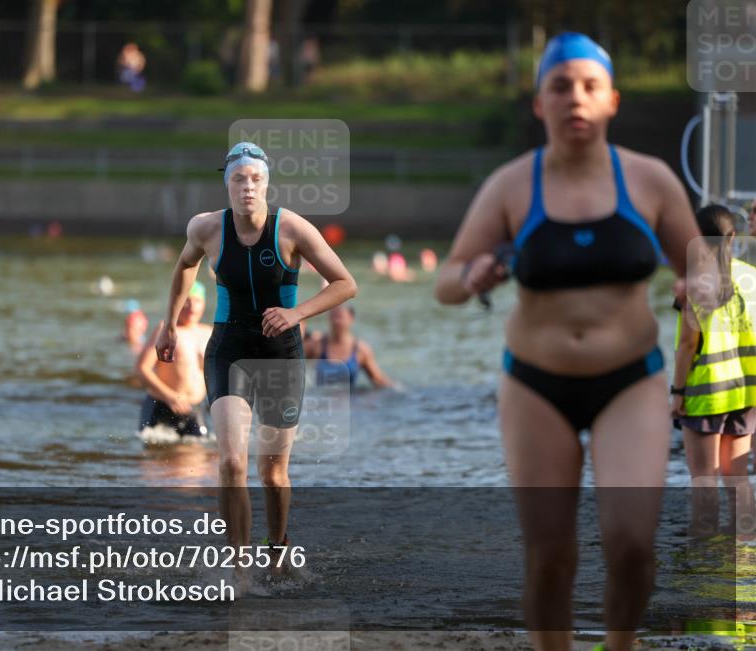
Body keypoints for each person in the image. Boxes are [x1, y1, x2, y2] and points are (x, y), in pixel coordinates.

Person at [434, 32, 699, 651]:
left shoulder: (651, 180)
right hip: (536, 385)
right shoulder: (510, 186)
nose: (575, 98)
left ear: (612, 101)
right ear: (540, 103)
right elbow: (445, 283)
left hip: (630, 380)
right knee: (550, 555)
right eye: (560, 87)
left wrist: (699, 283)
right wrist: (471, 277)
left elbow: (704, 265)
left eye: (589, 87)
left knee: (632, 544)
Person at [156, 141, 356, 567]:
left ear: (266, 184)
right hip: (229, 350)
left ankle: (278, 548)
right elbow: (186, 265)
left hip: (280, 356)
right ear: (227, 184)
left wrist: (295, 314)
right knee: (231, 463)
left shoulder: (292, 228)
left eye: (256, 179)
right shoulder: (206, 228)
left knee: (273, 474)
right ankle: (239, 568)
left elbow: (345, 283)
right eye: (239, 179)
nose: (248, 187)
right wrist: (169, 323)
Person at [672, 205, 756, 536]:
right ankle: (746, 552)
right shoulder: (751, 277)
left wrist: (678, 393)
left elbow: (687, 345)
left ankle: (704, 554)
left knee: (704, 478)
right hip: (745, 394)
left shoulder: (696, 282)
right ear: (732, 237)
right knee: (738, 478)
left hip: (706, 393)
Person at [135, 282, 212, 438]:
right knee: (156, 450)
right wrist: (170, 397)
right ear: (176, 303)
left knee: (203, 449)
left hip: (195, 406)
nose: (191, 306)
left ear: (203, 304)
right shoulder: (166, 331)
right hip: (163, 404)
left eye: (197, 301)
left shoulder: (208, 333)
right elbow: (142, 368)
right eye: (186, 301)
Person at [303, 304, 394, 388]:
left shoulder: (361, 350)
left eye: (340, 317)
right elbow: (295, 357)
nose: (336, 321)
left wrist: (397, 390)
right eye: (333, 316)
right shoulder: (317, 344)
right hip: (321, 397)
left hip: (350, 398)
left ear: (351, 319)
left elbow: (378, 379)